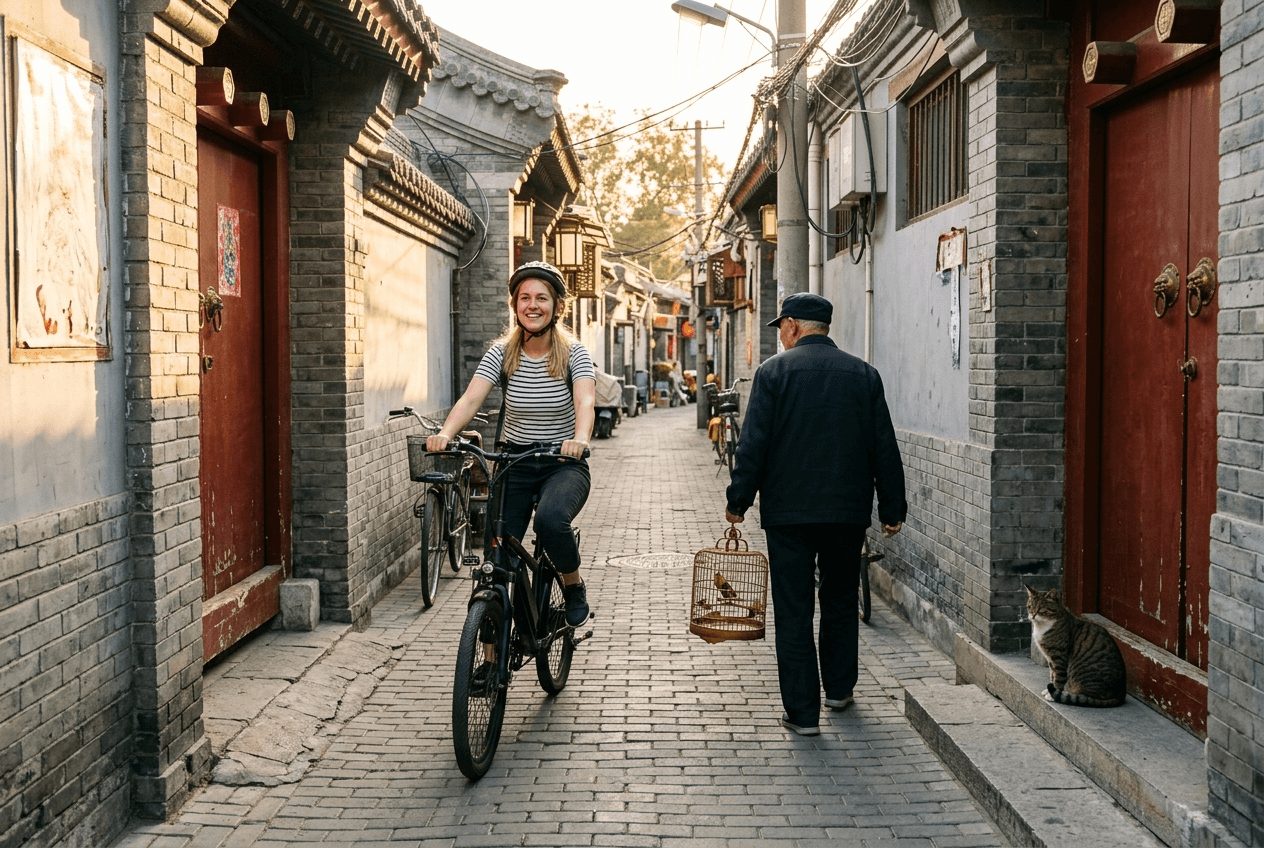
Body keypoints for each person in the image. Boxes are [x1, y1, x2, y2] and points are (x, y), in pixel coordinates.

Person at [724, 292, 906, 736]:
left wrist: (738, 500)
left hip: (788, 515)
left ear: (791, 326)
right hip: (846, 513)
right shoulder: (863, 374)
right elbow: (884, 443)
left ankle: (803, 714)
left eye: (781, 328)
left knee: (793, 609)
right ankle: (840, 691)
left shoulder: (773, 373)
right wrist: (893, 507)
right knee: (840, 601)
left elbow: (754, 445)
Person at [427, 261, 595, 626]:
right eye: (524, 298)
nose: (532, 306)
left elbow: (584, 401)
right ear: (515, 306)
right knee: (495, 567)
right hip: (514, 463)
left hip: (563, 464)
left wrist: (580, 439)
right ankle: (489, 664)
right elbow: (471, 399)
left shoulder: (574, 354)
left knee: (551, 521)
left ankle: (572, 585)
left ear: (558, 307)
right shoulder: (502, 354)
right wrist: (446, 433)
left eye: (542, 298)